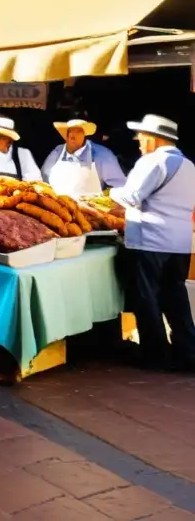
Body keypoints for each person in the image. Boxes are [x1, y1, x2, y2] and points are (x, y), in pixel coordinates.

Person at [110, 115, 195, 372]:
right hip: (180, 244)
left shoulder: (153, 161)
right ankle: (188, 353)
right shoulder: (190, 166)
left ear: (155, 139)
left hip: (150, 242)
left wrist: (109, 192)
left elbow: (131, 196)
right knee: (176, 299)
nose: (138, 143)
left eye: (142, 137)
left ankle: (155, 355)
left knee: (146, 299)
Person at [41, 118, 127, 196]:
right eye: (69, 132)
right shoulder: (58, 151)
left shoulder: (102, 154)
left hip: (89, 209)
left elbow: (119, 186)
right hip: (56, 208)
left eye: (77, 132)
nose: (72, 136)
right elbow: (44, 175)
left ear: (84, 135)